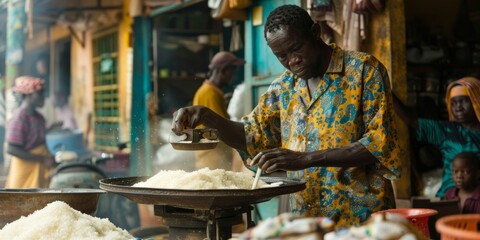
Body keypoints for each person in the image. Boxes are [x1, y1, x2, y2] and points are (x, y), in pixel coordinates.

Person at [172, 5, 401, 227]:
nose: (292, 61)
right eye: (281, 56)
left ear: (315, 32)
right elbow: (252, 136)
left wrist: (305, 158)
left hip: (361, 218)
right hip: (307, 221)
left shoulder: (363, 70)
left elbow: (378, 144)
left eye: (296, 49)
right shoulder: (283, 87)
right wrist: (208, 117)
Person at [393, 77, 480, 198]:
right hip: (451, 198)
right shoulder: (447, 130)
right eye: (453, 103)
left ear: (476, 101)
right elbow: (411, 120)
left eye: (464, 101)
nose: (458, 107)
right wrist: (387, 91)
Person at [191, 51, 245, 170]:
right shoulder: (209, 93)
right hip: (213, 160)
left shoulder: (212, 92)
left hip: (214, 158)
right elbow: (221, 128)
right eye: (232, 71)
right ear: (224, 70)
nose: (234, 76)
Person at [5, 76, 54, 188]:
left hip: (38, 169)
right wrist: (42, 158)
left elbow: (34, 137)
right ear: (28, 95)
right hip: (24, 172)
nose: (43, 97)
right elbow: (11, 149)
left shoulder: (39, 117)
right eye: (39, 93)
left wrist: (51, 129)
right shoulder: (19, 118)